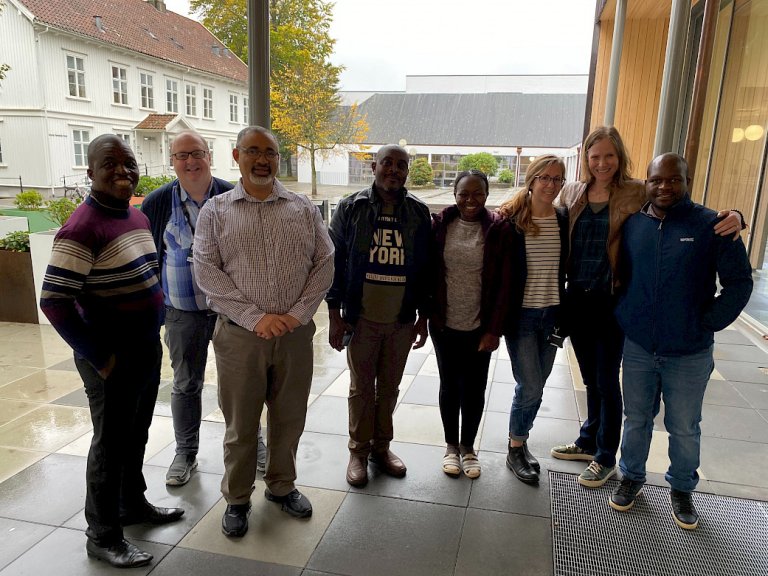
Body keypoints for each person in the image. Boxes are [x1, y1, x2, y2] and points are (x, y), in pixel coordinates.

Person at [549, 126, 744, 489]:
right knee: (591, 378)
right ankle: (588, 439)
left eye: (609, 156)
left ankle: (605, 456)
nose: (602, 163)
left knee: (607, 381)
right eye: (595, 156)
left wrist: (735, 215)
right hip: (578, 298)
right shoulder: (573, 191)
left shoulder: (638, 190)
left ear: (620, 157)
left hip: (612, 299)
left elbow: (677, 203)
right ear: (586, 159)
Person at [40, 134, 184, 569]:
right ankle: (102, 535)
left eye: (129, 163)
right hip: (111, 359)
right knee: (110, 444)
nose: (123, 171)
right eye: (110, 164)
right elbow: (54, 301)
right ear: (90, 172)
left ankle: (131, 504)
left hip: (143, 348)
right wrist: (99, 357)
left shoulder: (133, 216)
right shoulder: (82, 228)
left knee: (136, 433)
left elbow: (146, 272)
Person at [194, 126, 334, 537]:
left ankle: (281, 486)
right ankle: (237, 498)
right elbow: (206, 271)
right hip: (240, 338)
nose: (262, 159)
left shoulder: (302, 208)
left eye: (269, 152)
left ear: (278, 157)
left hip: (294, 336)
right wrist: (256, 317)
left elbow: (325, 261)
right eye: (253, 151)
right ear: (236, 156)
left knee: (289, 419)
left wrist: (296, 314)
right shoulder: (216, 211)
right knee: (241, 425)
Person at [610, 153, 752, 529]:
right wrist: (627, 314)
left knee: (684, 426)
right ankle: (631, 477)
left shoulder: (712, 225)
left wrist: (707, 322)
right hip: (639, 347)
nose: (664, 186)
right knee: (636, 419)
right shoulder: (634, 224)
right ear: (646, 182)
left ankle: (682, 488)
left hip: (689, 351)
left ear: (687, 181)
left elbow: (739, 283)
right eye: (657, 180)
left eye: (674, 179)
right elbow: (623, 275)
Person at [142, 131, 265, 486]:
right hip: (182, 313)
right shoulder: (157, 202)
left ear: (209, 156)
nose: (190, 161)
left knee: (241, 385)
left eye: (196, 153)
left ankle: (253, 444)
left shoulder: (232, 195)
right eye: (181, 156)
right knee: (185, 384)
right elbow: (149, 257)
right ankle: (185, 452)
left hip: (230, 311)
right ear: (172, 162)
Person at [327, 144, 431, 488]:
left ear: (406, 172)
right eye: (387, 163)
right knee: (361, 389)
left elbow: (426, 269)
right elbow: (334, 263)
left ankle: (381, 449)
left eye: (401, 165)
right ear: (374, 167)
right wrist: (334, 314)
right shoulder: (351, 207)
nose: (393, 170)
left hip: (401, 318)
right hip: (361, 318)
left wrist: (423, 317)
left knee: (388, 389)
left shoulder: (418, 212)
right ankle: (358, 451)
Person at [490, 155, 569, 484]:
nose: (551, 184)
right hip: (521, 317)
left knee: (538, 385)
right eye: (545, 178)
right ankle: (515, 448)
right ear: (532, 180)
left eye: (557, 179)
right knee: (531, 385)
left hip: (552, 316)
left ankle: (520, 441)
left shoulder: (563, 218)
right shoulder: (511, 220)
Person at [429, 169, 501, 479]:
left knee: (474, 387)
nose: (470, 200)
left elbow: (504, 283)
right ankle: (451, 446)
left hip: (479, 327)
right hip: (444, 324)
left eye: (477, 193)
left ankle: (468, 448)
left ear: (486, 195)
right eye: (464, 194)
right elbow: (429, 272)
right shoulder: (440, 225)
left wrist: (494, 329)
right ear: (454, 195)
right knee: (449, 385)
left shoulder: (497, 228)